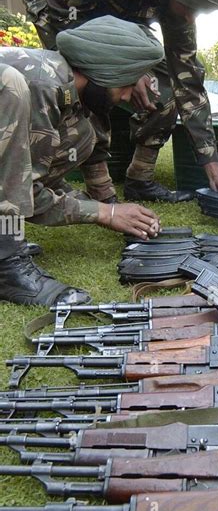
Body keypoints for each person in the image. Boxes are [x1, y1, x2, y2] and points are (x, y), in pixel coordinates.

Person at [20, 0, 218, 204]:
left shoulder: (178, 2)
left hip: (112, 16)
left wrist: (212, 166)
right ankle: (100, 190)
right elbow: (63, 11)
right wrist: (127, 71)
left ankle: (140, 179)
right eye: (192, 9)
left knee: (169, 85)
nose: (192, 19)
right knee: (91, 83)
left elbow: (188, 81)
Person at [0, 16, 163, 307]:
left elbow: (30, 181)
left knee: (82, 136)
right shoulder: (42, 83)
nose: (127, 96)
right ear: (103, 73)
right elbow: (22, 190)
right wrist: (104, 213)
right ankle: (6, 264)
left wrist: (111, 209)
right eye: (124, 85)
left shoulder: (63, 90)